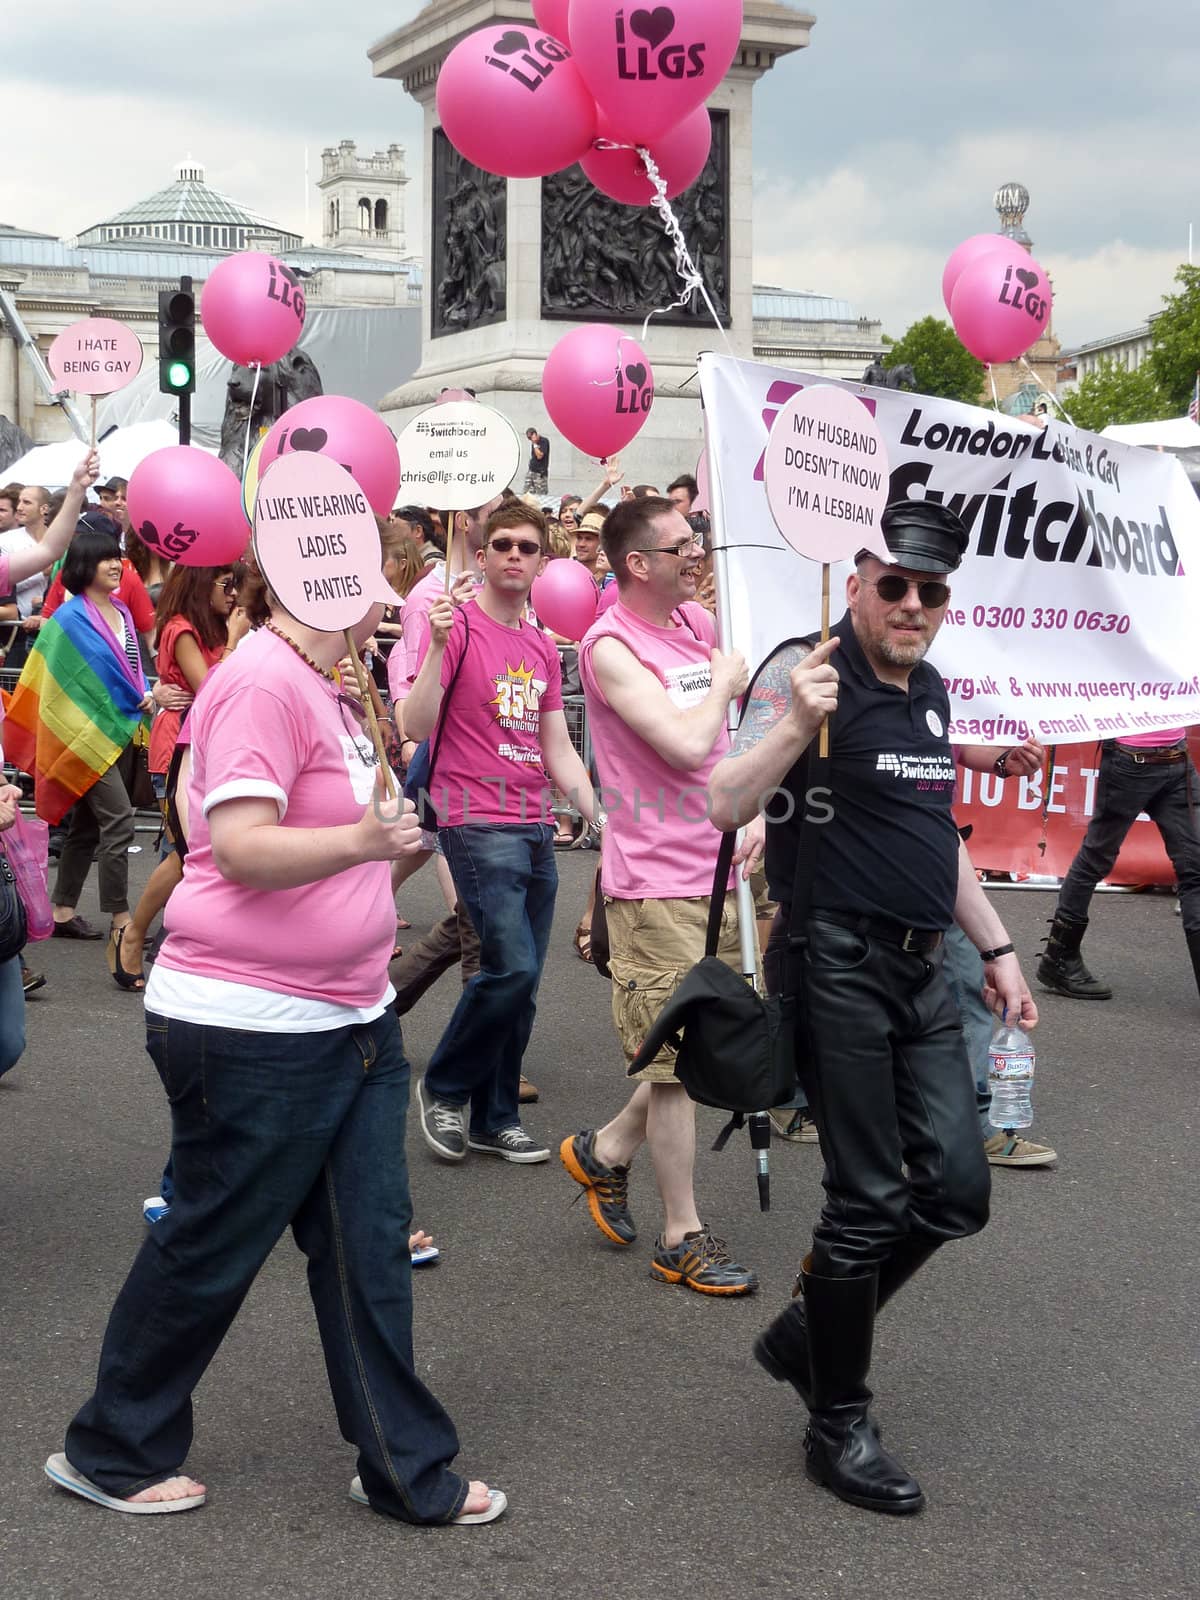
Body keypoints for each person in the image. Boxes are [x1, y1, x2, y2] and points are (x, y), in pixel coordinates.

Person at [44, 578, 505, 1524]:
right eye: (376, 583)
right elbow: (243, 847)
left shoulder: (336, 683)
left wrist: (388, 847)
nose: (390, 603)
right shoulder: (261, 681)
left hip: (351, 1014)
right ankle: (112, 1448)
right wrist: (361, 839)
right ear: (324, 580)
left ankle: (403, 1467)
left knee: (368, 1249)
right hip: (250, 1024)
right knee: (213, 1240)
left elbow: (340, 849)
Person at [709, 500, 1038, 1515]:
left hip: (923, 968)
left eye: (928, 589)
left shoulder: (930, 690)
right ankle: (837, 1420)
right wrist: (800, 722)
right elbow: (725, 800)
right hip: (836, 963)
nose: (909, 603)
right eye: (891, 583)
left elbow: (932, 833)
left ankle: (812, 1332)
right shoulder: (807, 673)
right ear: (854, 582)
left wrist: (997, 946)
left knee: (958, 1190)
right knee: (866, 1202)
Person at [560, 495, 758, 1296]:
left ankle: (605, 1150)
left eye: (697, 539)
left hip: (724, 873)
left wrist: (760, 820)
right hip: (655, 886)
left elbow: (737, 740)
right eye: (682, 545)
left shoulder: (695, 629)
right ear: (637, 564)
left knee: (706, 1048)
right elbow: (683, 743)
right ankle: (683, 1234)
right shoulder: (607, 646)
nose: (697, 553)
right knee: (675, 1067)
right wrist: (719, 684)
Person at [406, 502, 596, 1164]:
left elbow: (557, 748)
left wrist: (596, 810)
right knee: (508, 966)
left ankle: (495, 1115)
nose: (516, 555)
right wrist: (433, 647)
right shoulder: (456, 627)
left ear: (543, 562)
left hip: (534, 823)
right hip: (472, 816)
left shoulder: (542, 645)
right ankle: (446, 1086)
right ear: (482, 556)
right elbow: (413, 723)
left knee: (525, 980)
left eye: (528, 547)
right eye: (504, 545)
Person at [5, 517, 153, 945]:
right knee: (120, 820)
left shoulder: (123, 610)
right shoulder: (67, 621)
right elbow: (51, 689)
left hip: (120, 729)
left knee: (88, 826)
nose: (116, 564)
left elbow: (130, 668)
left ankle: (62, 909)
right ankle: (120, 916)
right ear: (84, 565)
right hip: (81, 740)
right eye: (106, 558)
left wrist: (144, 693)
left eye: (117, 557)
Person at [112, 563, 247, 989]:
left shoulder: (214, 625)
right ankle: (132, 934)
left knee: (194, 852)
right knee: (185, 851)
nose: (234, 594)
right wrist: (236, 641)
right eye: (228, 585)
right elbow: (211, 690)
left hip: (213, 745)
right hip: (179, 750)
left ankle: (169, 941)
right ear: (202, 585)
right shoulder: (181, 628)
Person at [1036, 724, 1200, 1001]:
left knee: (1195, 868)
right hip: (1130, 760)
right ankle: (1059, 959)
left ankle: (1058, 960)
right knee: (1096, 857)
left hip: (1177, 758)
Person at [524, 426, 550, 496]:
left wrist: (535, 444)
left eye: (531, 437)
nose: (530, 440)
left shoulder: (544, 441)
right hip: (531, 470)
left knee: (540, 494)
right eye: (529, 438)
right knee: (527, 492)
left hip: (540, 472)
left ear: (535, 434)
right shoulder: (533, 443)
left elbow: (540, 456)